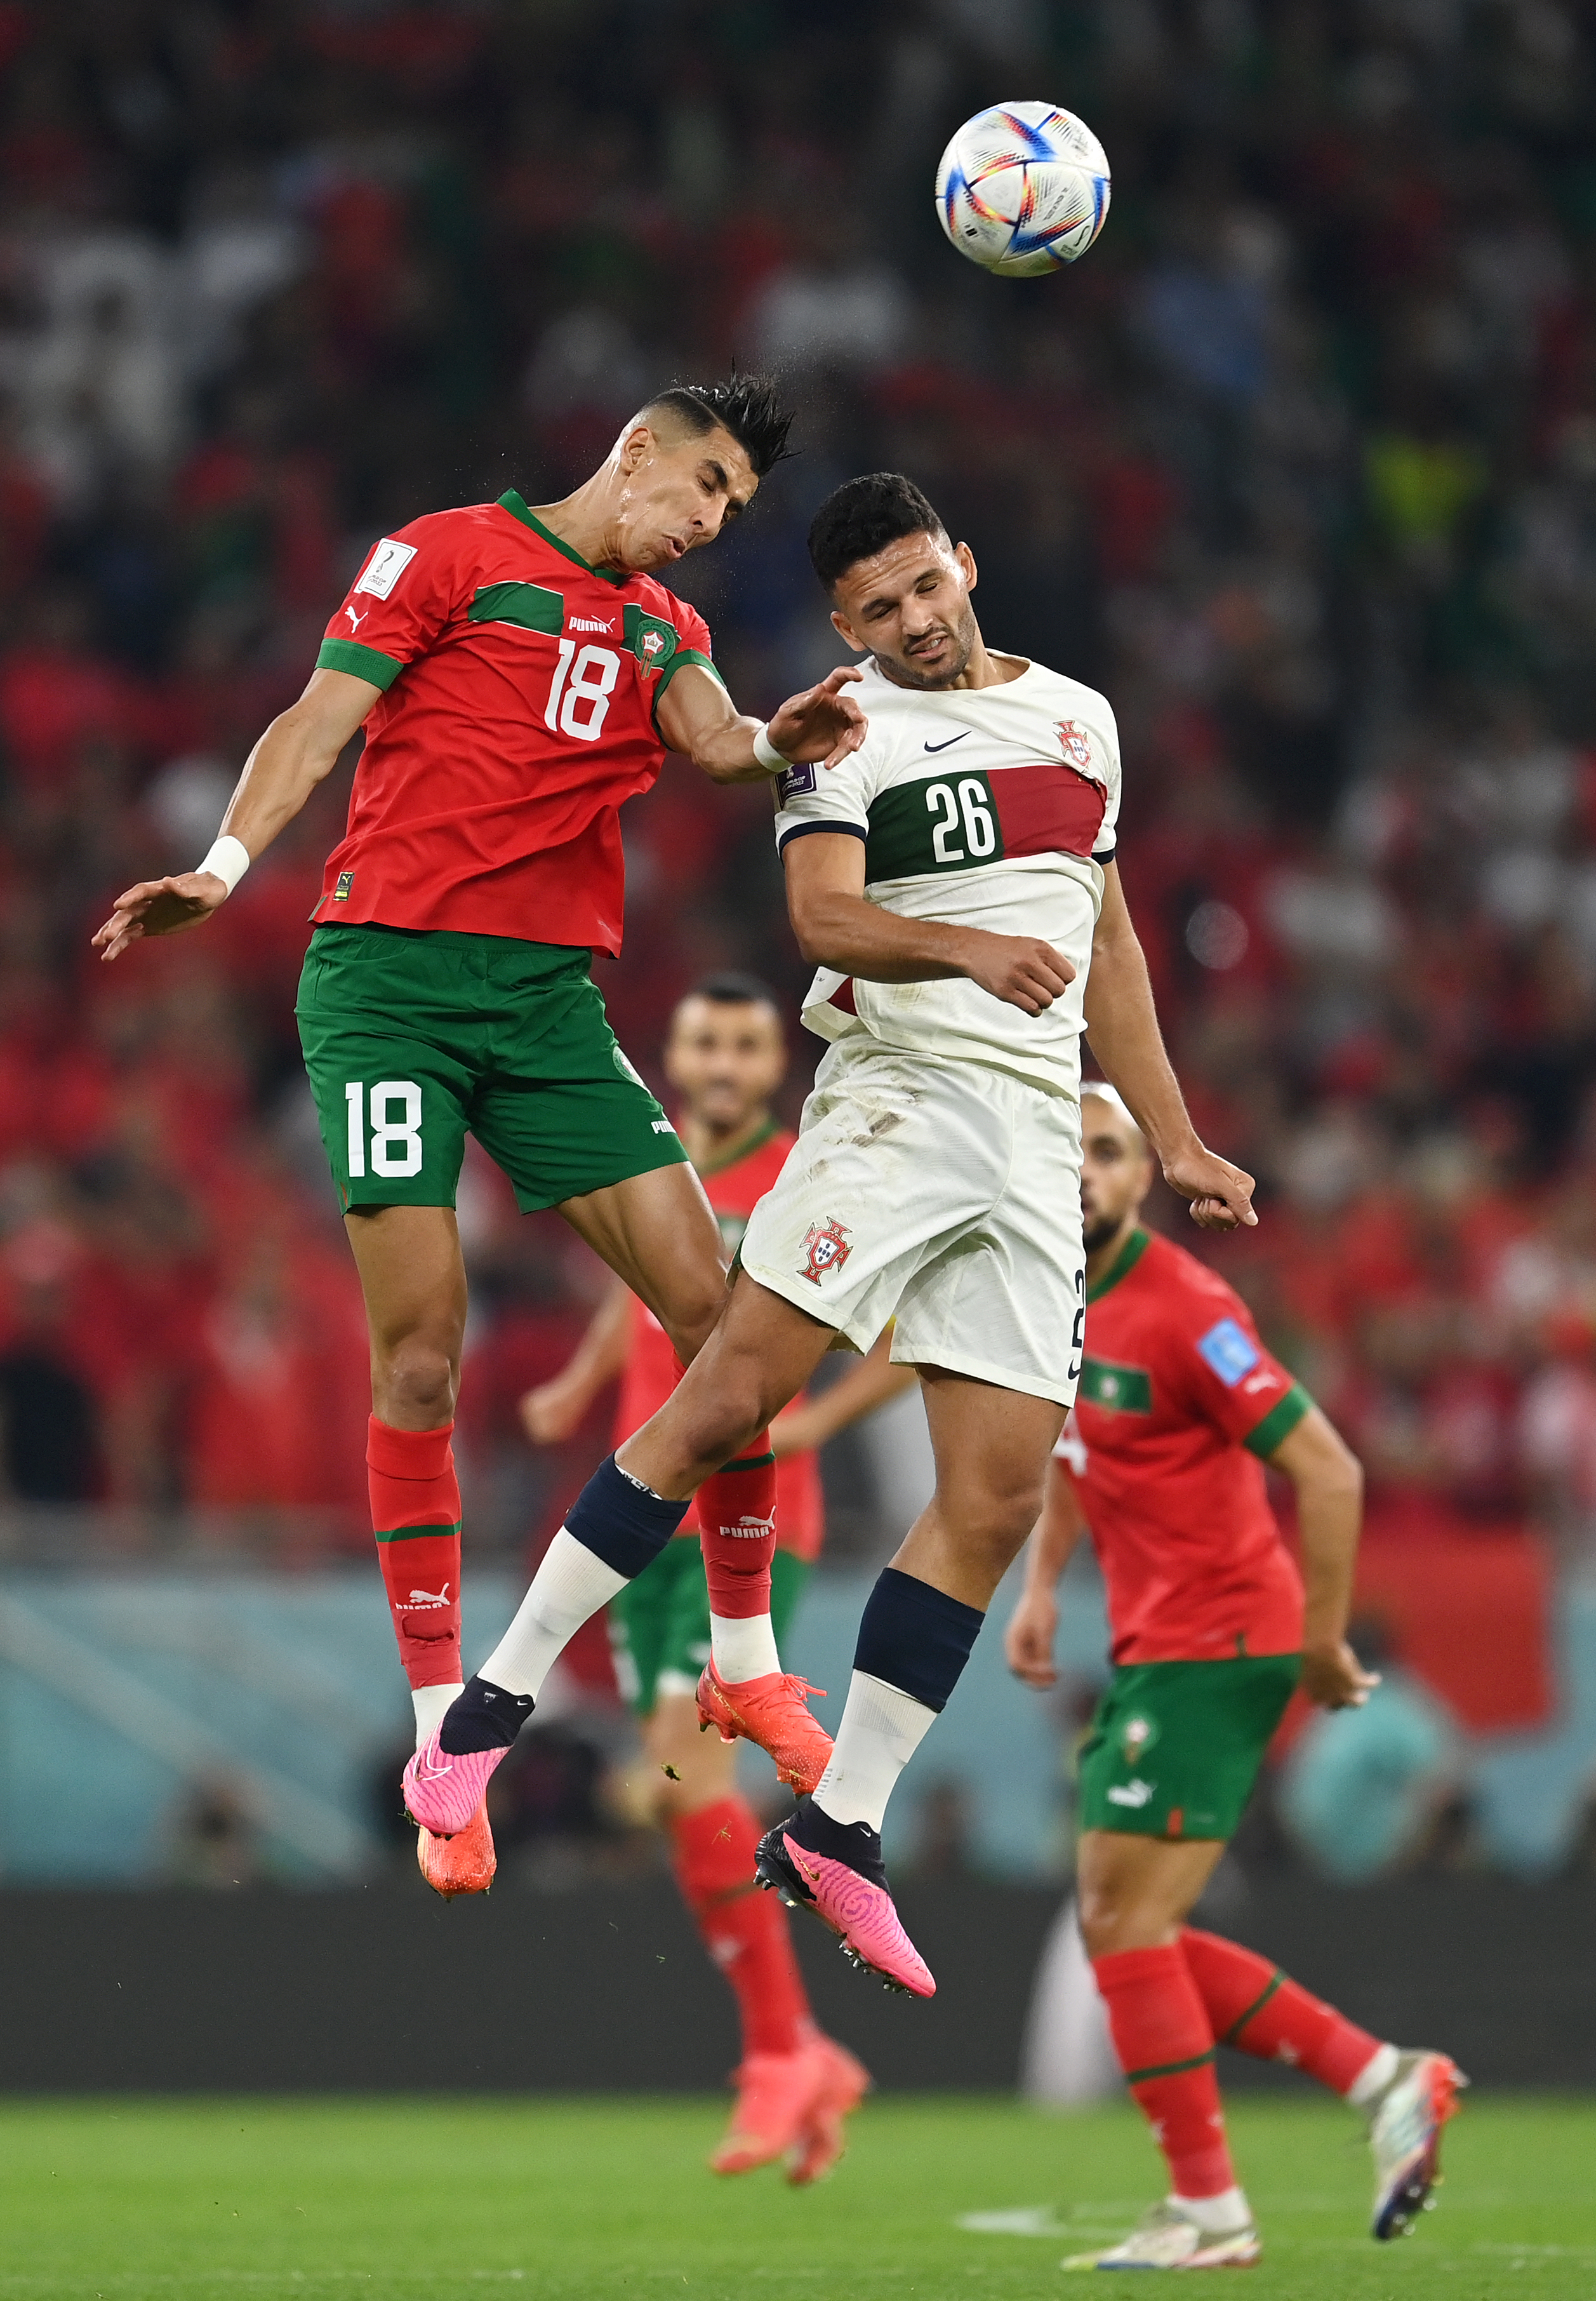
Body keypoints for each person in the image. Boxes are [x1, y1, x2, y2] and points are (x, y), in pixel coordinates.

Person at [401, 469, 1255, 1998]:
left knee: (994, 1496)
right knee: (728, 1399)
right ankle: (487, 1709)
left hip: (1030, 1138)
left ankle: (838, 1829)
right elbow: (826, 921)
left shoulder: (1080, 720)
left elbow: (1110, 938)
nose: (914, 623)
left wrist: (1174, 1135)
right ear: (847, 629)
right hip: (893, 1107)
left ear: (964, 564)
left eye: (926, 587)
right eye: (878, 611)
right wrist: (967, 948)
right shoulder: (843, 729)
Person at [91, 378, 865, 1898]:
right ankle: (443, 1736)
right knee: (421, 1360)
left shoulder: (668, 630)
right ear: (636, 452)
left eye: (732, 507)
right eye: (705, 485)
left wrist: (783, 741)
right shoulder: (447, 555)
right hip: (385, 990)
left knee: (726, 1318)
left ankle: (743, 1661)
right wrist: (223, 867)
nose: (710, 523)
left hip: (545, 1009)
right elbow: (318, 718)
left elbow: (717, 744)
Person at [1004, 1083, 1464, 2271]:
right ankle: (1380, 2079)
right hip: (1159, 1644)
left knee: (1121, 1921)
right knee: (1126, 1926)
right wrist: (1044, 1585)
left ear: (1141, 1175)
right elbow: (1071, 1450)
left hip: (1221, 1640)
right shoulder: (1052, 1298)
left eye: (1107, 1151)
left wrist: (1322, 1639)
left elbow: (1330, 1468)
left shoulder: (1186, 1309)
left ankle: (1212, 2208)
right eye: (1064, 1148)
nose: (1082, 1170)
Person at [521, 970, 914, 2180]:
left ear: (774, 1062)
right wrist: (580, 1385)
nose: (727, 1064)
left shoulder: (804, 1176)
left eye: (747, 1044)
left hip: (744, 1528)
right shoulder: (652, 1164)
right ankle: (799, 2052)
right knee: (675, 1791)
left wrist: (806, 1427)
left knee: (685, 1782)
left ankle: (784, 2049)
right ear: (678, 1059)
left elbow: (901, 1333)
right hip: (644, 1510)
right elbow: (634, 1295)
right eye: (707, 1043)